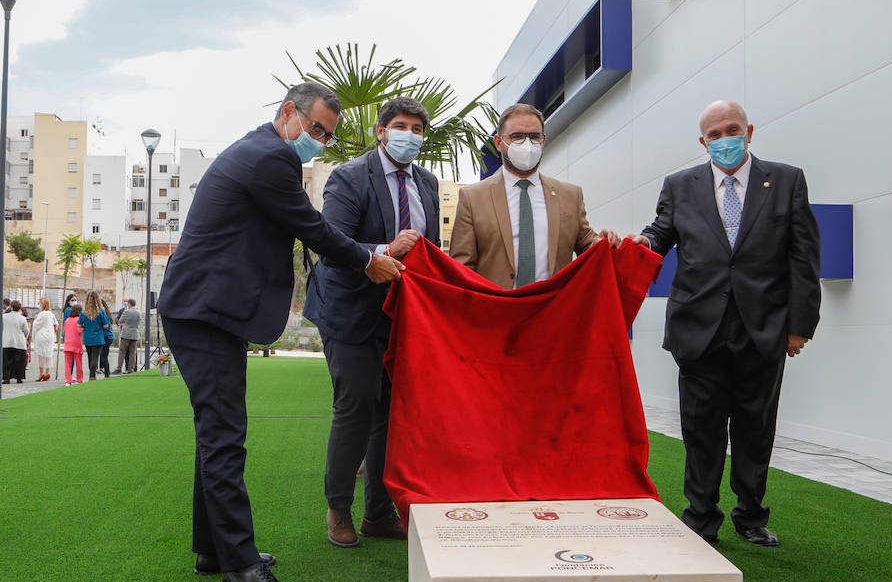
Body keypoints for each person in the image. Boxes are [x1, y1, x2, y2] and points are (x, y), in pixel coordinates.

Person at [159, 81, 404, 582]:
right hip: (203, 313)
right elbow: (312, 228)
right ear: (289, 112)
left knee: (215, 433)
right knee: (225, 435)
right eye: (315, 128)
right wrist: (368, 259)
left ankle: (214, 549)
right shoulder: (270, 157)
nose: (318, 139)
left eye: (327, 136)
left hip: (206, 310)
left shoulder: (261, 150)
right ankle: (241, 569)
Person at [630, 99, 821, 548]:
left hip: (764, 327)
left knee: (756, 428)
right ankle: (701, 518)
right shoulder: (680, 186)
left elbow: (804, 257)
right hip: (698, 328)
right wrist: (642, 242)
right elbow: (661, 232)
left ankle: (751, 516)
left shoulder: (787, 180)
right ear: (703, 142)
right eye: (713, 135)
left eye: (731, 130)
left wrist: (800, 326)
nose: (723, 140)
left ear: (749, 131)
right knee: (701, 429)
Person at [302, 95, 438, 548]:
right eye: (400, 126)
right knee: (356, 407)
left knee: (391, 414)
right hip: (350, 310)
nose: (409, 136)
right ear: (382, 132)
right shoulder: (349, 177)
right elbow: (333, 243)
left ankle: (378, 513)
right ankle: (338, 509)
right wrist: (385, 250)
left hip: (402, 314)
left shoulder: (428, 183)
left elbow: (429, 249)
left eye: (418, 129)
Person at [449, 103, 619, 287]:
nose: (527, 144)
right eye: (517, 137)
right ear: (499, 142)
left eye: (534, 137)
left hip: (553, 310)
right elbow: (461, 270)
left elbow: (587, 246)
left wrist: (601, 242)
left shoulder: (571, 195)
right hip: (497, 311)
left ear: (543, 140)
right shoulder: (473, 198)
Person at [78, 292, 111, 380]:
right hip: (98, 337)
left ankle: (92, 375)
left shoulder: (84, 312)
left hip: (88, 337)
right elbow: (105, 325)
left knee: (90, 357)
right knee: (95, 357)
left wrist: (86, 326)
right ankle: (92, 376)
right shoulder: (101, 312)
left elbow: (79, 325)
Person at [1, 299, 30, 383]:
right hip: (19, 342)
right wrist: (23, 337)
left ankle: (6, 378)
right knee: (19, 361)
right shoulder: (22, 319)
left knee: (7, 361)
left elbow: (1, 328)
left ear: (11, 307)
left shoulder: (4, 317)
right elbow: (26, 331)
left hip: (7, 341)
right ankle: (19, 378)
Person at [31, 297, 58, 382]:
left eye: (39, 304)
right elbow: (55, 324)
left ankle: (41, 373)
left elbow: (36, 325)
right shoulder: (51, 314)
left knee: (41, 355)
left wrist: (35, 319)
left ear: (42, 304)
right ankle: (47, 372)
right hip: (50, 336)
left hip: (42, 336)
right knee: (49, 355)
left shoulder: (42, 314)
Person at [61, 293, 84, 385]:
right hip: (76, 344)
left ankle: (68, 380)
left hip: (67, 344)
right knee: (78, 363)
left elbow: (64, 331)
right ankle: (79, 379)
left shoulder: (67, 320)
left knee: (68, 364)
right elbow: (80, 331)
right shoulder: (79, 320)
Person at [114, 298, 141, 374]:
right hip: (135, 334)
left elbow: (120, 320)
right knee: (133, 352)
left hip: (126, 334)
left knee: (122, 351)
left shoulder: (126, 312)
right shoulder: (139, 312)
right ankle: (130, 369)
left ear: (129, 304)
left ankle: (119, 368)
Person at [98, 298, 115, 377]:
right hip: (108, 337)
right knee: (103, 355)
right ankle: (103, 369)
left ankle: (107, 373)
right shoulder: (106, 313)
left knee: (104, 356)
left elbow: (105, 326)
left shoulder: (103, 313)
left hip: (106, 337)